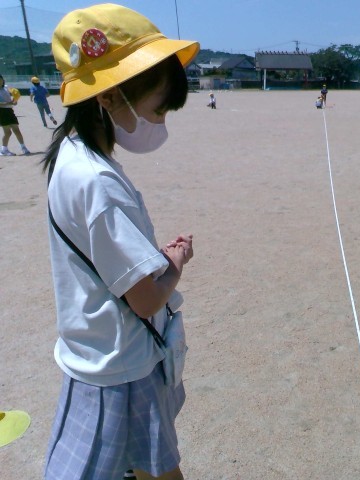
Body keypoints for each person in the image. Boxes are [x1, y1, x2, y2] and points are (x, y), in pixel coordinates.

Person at [41, 4, 199, 479]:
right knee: (158, 470)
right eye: (158, 109)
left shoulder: (70, 157)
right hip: (122, 364)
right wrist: (175, 263)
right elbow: (146, 300)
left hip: (95, 350)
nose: (161, 120)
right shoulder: (98, 183)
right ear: (109, 97)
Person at [0, 74, 30, 156]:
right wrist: (8, 103)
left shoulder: (6, 87)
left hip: (10, 111)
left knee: (17, 130)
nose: (0, 81)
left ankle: (23, 147)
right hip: (2, 112)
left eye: (1, 79)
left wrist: (14, 101)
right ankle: (3, 150)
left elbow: (15, 94)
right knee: (8, 132)